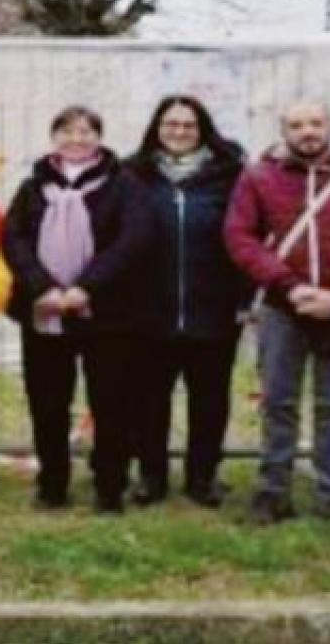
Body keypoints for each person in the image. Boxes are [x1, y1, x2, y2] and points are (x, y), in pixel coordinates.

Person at [224, 101, 330, 523]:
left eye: (315, 123)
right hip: (283, 305)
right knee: (278, 400)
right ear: (284, 130)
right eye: (297, 124)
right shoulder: (258, 176)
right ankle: (272, 490)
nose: (307, 132)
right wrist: (289, 284)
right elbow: (240, 236)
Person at [2, 106, 152, 514]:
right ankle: (52, 483)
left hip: (107, 314)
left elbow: (133, 241)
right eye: (67, 132)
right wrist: (43, 288)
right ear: (54, 138)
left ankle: (110, 485)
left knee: (111, 403)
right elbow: (13, 240)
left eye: (86, 132)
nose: (76, 140)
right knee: (48, 402)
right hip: (45, 313)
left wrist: (87, 288)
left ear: (99, 139)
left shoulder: (124, 186)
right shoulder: (32, 188)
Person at [125, 95, 247, 509]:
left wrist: (244, 297)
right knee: (147, 399)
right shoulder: (132, 175)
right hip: (149, 312)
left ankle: (203, 476)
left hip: (213, 309)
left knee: (210, 399)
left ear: (203, 130)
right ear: (157, 129)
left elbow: (248, 237)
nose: (179, 132)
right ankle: (151, 476)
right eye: (171, 124)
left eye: (188, 125)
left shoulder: (229, 176)